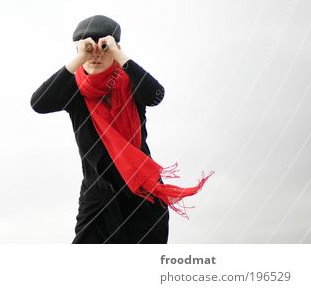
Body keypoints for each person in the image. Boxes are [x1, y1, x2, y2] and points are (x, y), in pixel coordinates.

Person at [30, 15, 213, 244]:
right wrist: (79, 58)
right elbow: (39, 103)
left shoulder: (130, 82)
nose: (96, 54)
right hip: (98, 200)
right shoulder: (74, 91)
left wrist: (119, 54)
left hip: (142, 195)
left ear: (116, 48)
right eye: (87, 48)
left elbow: (156, 95)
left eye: (103, 47)